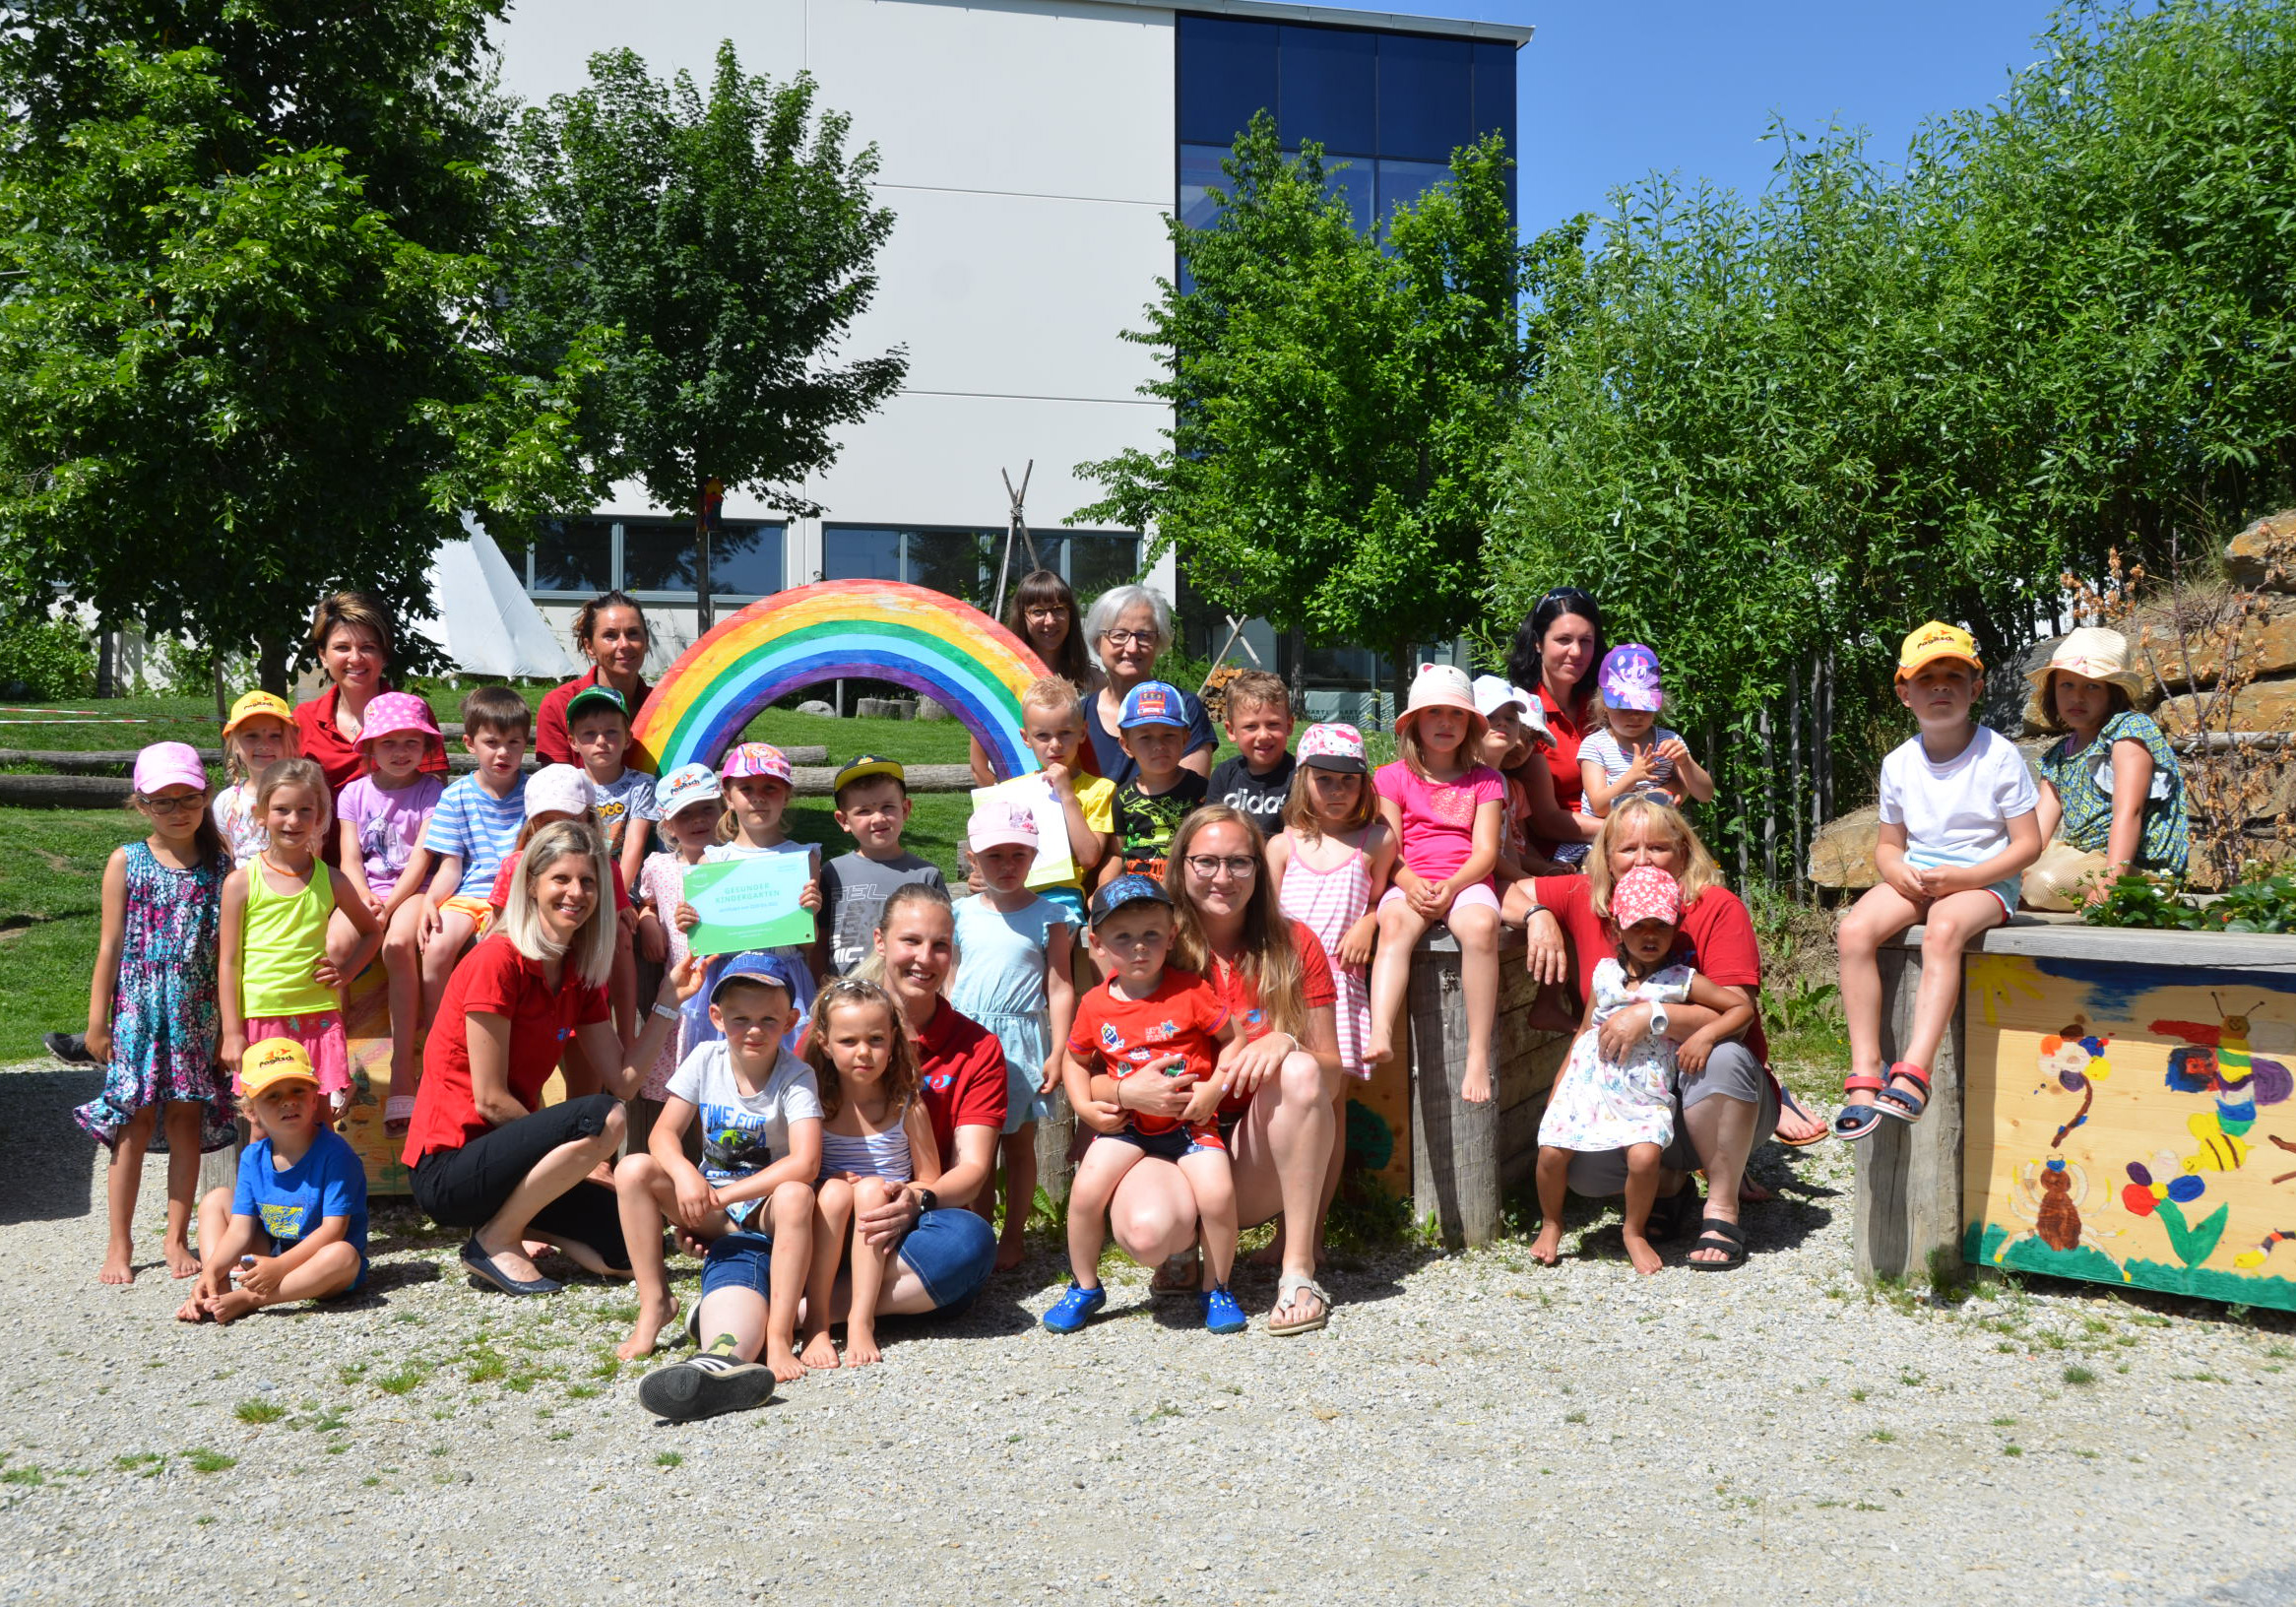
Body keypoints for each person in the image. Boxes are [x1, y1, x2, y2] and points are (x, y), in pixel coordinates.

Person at [1077, 807, 1343, 1334]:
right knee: (1149, 1233)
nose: (1223, 877)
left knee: (1301, 1071)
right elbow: (1090, 1070)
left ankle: (1298, 1271)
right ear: (1181, 865)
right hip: (1159, 1138)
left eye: (1240, 862)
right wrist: (1126, 1091)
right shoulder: (1146, 940)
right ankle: (1180, 1248)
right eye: (1206, 862)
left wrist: (1285, 1042)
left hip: (1248, 1152)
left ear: (1260, 869)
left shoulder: (1294, 945)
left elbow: (1331, 1078)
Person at [401, 820, 691, 1296]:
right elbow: (491, 1101)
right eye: (561, 878)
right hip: (449, 1169)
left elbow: (622, 1080)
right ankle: (495, 1238)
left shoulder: (578, 969)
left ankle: (513, 1222)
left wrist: (668, 999)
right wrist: (570, 1156)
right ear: (531, 884)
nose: (576, 892)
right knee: (601, 1118)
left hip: (505, 1162)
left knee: (630, 1252)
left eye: (588, 881)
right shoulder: (498, 960)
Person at [1509, 797, 1782, 1268]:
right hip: (1627, 1093)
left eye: (1657, 847)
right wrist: (1539, 917)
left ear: (1682, 851)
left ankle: (1721, 1206)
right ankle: (1670, 1186)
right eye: (1626, 848)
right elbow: (1507, 888)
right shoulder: (1584, 897)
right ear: (1605, 857)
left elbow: (1741, 1009)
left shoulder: (1715, 906)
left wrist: (1651, 1015)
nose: (1641, 859)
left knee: (1720, 1053)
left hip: (1718, 1092)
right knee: (1586, 1172)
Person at [1835, 623, 2041, 1141]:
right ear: (1905, 693)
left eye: (1955, 676)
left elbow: (2027, 845)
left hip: (1985, 879)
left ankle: (1915, 1070)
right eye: (1928, 679)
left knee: (1944, 928)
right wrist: (1894, 869)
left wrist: (1969, 877)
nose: (1942, 687)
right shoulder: (1899, 763)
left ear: (1977, 688)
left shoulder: (1998, 755)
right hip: (1923, 874)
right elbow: (1888, 844)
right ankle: (1866, 1071)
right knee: (1854, 931)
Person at [1530, 867, 1754, 1276]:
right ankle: (1551, 1222)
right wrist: (1558, 1090)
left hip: (1643, 1090)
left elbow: (1741, 1008)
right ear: (1617, 928)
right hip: (1589, 1085)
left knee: (1646, 1157)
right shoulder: (1603, 973)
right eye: (1638, 926)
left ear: (1675, 926)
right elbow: (1584, 1032)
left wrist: (1706, 1035)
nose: (1649, 936)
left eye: (1660, 926)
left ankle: (1634, 1231)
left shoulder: (1680, 980)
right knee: (1550, 1152)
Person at [1049, 874, 1246, 1335]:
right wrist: (1082, 1105)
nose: (1139, 947)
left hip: (1190, 1122)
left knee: (1217, 1195)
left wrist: (1215, 1087)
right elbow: (1075, 1061)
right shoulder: (1095, 1004)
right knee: (1085, 1193)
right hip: (1128, 1125)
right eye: (1123, 937)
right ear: (1097, 944)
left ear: (1171, 935)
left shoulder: (1190, 990)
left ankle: (1216, 1286)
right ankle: (1084, 1285)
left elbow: (1233, 1040)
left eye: (1151, 935)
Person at [75, 742, 237, 1284]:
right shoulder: (127, 860)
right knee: (134, 1124)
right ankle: (118, 1244)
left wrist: (225, 1029)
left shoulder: (221, 866)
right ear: (141, 804)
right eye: (162, 801)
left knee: (186, 1120)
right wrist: (97, 1023)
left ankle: (175, 1238)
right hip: (139, 1011)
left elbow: (226, 953)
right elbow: (109, 946)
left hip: (196, 1012)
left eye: (188, 797)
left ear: (205, 796)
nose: (176, 810)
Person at [614, 952, 821, 1372]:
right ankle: (655, 1300)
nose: (754, 1030)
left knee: (798, 1195)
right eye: (740, 1018)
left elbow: (805, 1162)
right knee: (632, 1168)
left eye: (768, 1019)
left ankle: (779, 1336)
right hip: (711, 1204)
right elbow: (662, 1134)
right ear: (716, 1015)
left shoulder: (796, 1075)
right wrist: (687, 1176)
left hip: (765, 1207)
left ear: (791, 1019)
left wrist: (725, 1195)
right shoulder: (705, 1058)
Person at [1267, 723, 1392, 1240]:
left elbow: (1390, 897)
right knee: (1280, 1107)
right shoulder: (1282, 844)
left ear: (1364, 783)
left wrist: (1372, 919)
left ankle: (1311, 1232)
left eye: (1349, 780)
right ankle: (1279, 1225)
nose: (1337, 790)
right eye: (1325, 779)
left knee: (1328, 1112)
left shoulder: (1377, 838)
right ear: (1304, 779)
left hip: (1340, 992)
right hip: (1284, 990)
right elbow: (1267, 921)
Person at [1365, 665, 1504, 1103]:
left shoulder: (1486, 780)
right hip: (1409, 879)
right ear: (1413, 723)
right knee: (1394, 926)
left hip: (1466, 880)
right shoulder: (1391, 777)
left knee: (1482, 928)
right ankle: (1381, 1028)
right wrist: (1408, 882)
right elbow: (1388, 844)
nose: (1446, 723)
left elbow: (1485, 852)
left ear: (1470, 725)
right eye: (1434, 713)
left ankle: (1478, 1053)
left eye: (1457, 715)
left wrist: (1452, 885)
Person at [949, 804, 1077, 1270]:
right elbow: (950, 978)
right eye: (994, 855)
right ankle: (976, 1232)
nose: (1006, 866)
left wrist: (1059, 1049)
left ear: (1034, 855)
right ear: (972, 858)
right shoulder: (960, 912)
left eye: (1018, 855)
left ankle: (1013, 1234)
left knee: (1020, 1144)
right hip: (966, 1040)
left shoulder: (1050, 916)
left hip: (1021, 1041)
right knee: (972, 1144)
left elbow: (1061, 987)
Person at [218, 759, 381, 1122]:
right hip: (261, 1017)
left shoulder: (333, 880)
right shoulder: (241, 883)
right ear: (261, 814)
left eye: (305, 810)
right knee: (263, 1122)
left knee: (317, 1117)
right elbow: (228, 962)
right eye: (281, 809)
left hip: (317, 1017)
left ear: (320, 816)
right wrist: (231, 1032)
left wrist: (348, 972)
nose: (293, 820)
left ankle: (320, 1180)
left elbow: (372, 932)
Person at [800, 977, 946, 1369]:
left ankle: (859, 1321)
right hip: (827, 1223)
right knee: (835, 1193)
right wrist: (822, 1182)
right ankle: (816, 1322)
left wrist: (907, 1191)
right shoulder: (813, 1104)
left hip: (885, 1229)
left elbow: (931, 1178)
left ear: (893, 1040)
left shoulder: (905, 1105)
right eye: (848, 1042)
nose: (863, 1053)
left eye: (876, 1040)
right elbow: (793, 1168)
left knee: (870, 1191)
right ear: (824, 1043)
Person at [175, 1040, 367, 1324]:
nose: (288, 1101)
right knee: (216, 1200)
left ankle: (251, 1299)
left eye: (298, 1090)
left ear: (315, 1099)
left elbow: (333, 1231)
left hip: (319, 1268)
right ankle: (218, 1292)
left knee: (343, 1255)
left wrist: (279, 1267)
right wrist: (210, 1272)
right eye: (272, 1096)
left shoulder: (336, 1155)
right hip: (268, 1258)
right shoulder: (253, 1156)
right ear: (251, 1112)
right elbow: (240, 1230)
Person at [334, 692, 446, 1134]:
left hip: (413, 890)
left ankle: (402, 1070)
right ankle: (334, 1062)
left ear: (425, 747)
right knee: (333, 946)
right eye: (388, 742)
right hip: (364, 892)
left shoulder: (431, 790)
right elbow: (349, 859)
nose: (400, 752)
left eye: (411, 742)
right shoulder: (352, 793)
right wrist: (364, 900)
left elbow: (422, 858)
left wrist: (389, 907)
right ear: (370, 748)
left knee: (399, 944)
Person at [673, 743, 820, 1056]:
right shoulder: (711, 861)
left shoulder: (804, 858)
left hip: (786, 981)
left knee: (786, 1072)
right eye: (746, 788)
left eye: (770, 787)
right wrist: (690, 924)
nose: (758, 797)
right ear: (728, 796)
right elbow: (704, 946)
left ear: (786, 795)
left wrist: (810, 912)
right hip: (727, 980)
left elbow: (809, 943)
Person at [484, 764, 643, 1044]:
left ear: (590, 818)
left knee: (588, 1081)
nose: (560, 833)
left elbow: (617, 939)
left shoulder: (606, 868)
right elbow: (498, 929)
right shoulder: (517, 865)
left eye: (570, 821)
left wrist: (627, 1037)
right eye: (548, 823)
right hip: (527, 996)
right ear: (533, 823)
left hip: (584, 993)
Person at [2028, 625, 2189, 894]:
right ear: (2053, 691)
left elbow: (2130, 811)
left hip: (2137, 868)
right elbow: (2037, 836)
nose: (2077, 697)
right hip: (2085, 862)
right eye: (2067, 684)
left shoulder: (2128, 731)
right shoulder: (2057, 757)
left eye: (2092, 686)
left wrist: (2112, 882)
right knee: (2012, 870)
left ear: (2113, 692)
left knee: (2042, 882)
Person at [415, 684, 531, 1038]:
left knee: (496, 955)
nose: (503, 753)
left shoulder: (533, 793)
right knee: (435, 947)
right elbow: (451, 866)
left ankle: (498, 1035)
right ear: (470, 744)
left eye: (513, 743)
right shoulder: (455, 797)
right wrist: (430, 902)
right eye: (492, 742)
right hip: (469, 894)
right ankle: (440, 1033)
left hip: (517, 896)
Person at [631, 763, 724, 1148]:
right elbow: (647, 901)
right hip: (685, 995)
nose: (698, 820)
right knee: (680, 1089)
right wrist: (648, 918)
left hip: (727, 989)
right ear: (667, 824)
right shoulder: (659, 866)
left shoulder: (733, 861)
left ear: (722, 812)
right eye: (685, 814)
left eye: (706, 809)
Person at [292, 591, 447, 799]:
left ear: (384, 655)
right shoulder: (304, 718)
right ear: (323, 656)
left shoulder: (412, 712)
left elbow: (434, 793)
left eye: (368, 647)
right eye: (342, 647)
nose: (355, 658)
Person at [969, 570, 1103, 785]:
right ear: (1023, 616)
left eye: (1058, 609)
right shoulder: (1000, 681)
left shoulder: (1094, 682)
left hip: (1082, 807)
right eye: (1038, 611)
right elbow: (979, 766)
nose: (1049, 621)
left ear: (1071, 615)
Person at [818, 756, 947, 976]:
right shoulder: (831, 872)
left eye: (888, 807)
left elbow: (942, 942)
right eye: (863, 811)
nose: (878, 818)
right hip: (842, 999)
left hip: (905, 995)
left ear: (905, 809)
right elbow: (819, 943)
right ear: (843, 820)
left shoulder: (927, 876)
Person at [1504, 587, 1604, 865]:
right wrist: (1630, 829)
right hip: (1557, 859)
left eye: (1586, 640)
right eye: (1563, 639)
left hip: (1620, 842)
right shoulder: (1522, 715)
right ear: (1537, 642)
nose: (1576, 652)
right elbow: (1545, 821)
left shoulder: (1605, 707)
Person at [1080, 585, 1216, 785]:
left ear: (1158, 642)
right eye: (1119, 634)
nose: (1132, 647)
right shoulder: (1078, 715)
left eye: (1144, 636)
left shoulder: (1184, 707)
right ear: (1097, 642)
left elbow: (1189, 798)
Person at [1577, 644, 1714, 820]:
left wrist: (1685, 762)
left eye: (1643, 707)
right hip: (1608, 836)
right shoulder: (1595, 746)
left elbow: (1706, 795)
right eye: (1624, 706)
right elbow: (1599, 807)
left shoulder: (1670, 740)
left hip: (1657, 835)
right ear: (1604, 705)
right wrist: (1633, 776)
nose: (1635, 716)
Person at [537, 590, 655, 769]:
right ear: (589, 647)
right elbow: (555, 787)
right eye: (610, 635)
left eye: (633, 633)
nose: (624, 644)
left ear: (646, 642)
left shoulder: (663, 706)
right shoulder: (559, 705)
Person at [1105, 680, 1209, 883]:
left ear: (1185, 739)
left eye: (1169, 735)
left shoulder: (1200, 789)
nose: (1158, 745)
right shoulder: (1122, 796)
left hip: (1184, 888)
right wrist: (1103, 890)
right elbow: (1116, 853)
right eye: (1145, 738)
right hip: (1137, 894)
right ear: (1126, 745)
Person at [561, 682, 659, 894]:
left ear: (628, 739)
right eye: (589, 733)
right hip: (577, 889)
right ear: (573, 742)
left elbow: (634, 845)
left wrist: (616, 900)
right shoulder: (567, 784)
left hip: (623, 890)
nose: (601, 741)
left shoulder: (641, 785)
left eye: (611, 732)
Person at [212, 690, 298, 868]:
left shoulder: (303, 796)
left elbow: (311, 853)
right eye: (252, 736)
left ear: (290, 741)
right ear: (234, 745)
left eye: (275, 736)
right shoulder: (226, 801)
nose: (264, 745)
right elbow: (226, 862)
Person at [1205, 670, 1297, 835]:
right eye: (1250, 727)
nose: (1263, 735)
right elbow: (1210, 827)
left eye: (1273, 724)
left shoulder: (1298, 778)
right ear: (1231, 731)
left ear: (1289, 726)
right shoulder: (1224, 775)